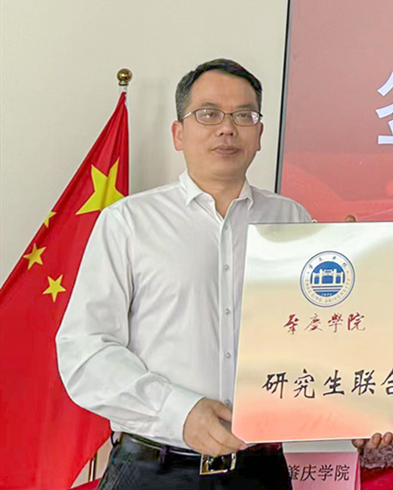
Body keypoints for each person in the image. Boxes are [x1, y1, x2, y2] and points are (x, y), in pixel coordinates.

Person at [57, 59, 311, 489]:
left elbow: (317, 334)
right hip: (154, 469)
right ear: (179, 133)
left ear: (260, 133)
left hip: (261, 469)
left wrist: (361, 407)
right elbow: (85, 350)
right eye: (209, 114)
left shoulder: (294, 221)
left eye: (243, 116)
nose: (227, 128)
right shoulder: (129, 222)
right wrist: (180, 412)